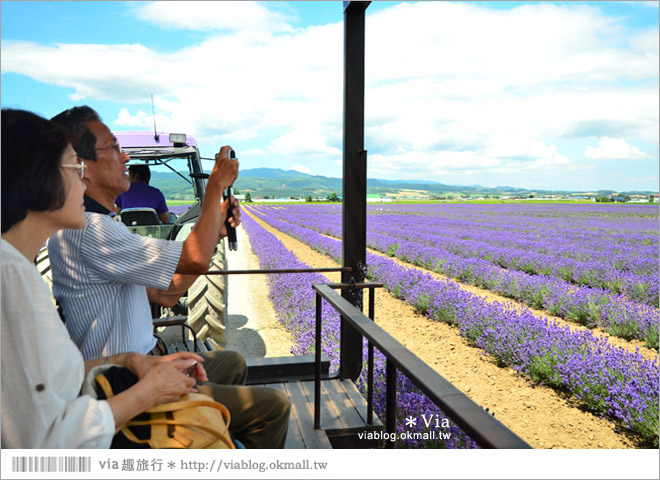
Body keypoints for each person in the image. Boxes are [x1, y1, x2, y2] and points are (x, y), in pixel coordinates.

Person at [48, 106, 290, 448]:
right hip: (127, 384)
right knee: (273, 408)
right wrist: (214, 186)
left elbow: (167, 294)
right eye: (114, 147)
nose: (125, 156)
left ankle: (216, 439)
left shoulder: (104, 225)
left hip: (148, 360)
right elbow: (193, 257)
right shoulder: (92, 231)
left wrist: (214, 233)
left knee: (232, 362)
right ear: (83, 167)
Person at [1, 108, 206, 448]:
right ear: (37, 177)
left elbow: (54, 381)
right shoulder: (11, 278)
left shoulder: (22, 270)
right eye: (73, 167)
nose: (82, 179)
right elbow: (45, 445)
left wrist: (129, 360)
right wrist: (148, 392)